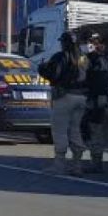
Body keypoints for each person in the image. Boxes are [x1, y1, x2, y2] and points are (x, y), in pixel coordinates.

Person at [38, 31, 89, 176]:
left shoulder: (61, 56)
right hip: (81, 97)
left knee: (59, 130)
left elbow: (53, 73)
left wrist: (42, 68)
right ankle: (77, 165)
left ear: (64, 43)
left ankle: (59, 165)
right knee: (75, 129)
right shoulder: (84, 58)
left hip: (64, 96)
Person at [81, 32, 108, 174]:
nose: (89, 45)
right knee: (95, 129)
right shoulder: (102, 59)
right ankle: (96, 161)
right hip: (100, 98)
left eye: (92, 42)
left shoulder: (93, 59)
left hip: (96, 99)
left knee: (94, 129)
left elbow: (82, 76)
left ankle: (96, 163)